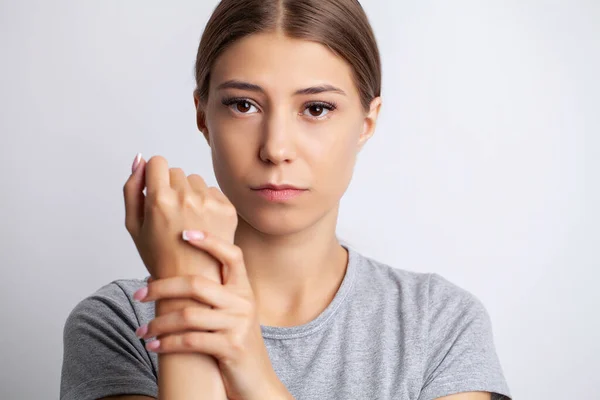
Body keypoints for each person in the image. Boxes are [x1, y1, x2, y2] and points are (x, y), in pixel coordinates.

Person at [60, 0, 512, 399]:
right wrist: (190, 302)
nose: (275, 148)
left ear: (367, 122)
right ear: (203, 115)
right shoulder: (119, 324)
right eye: (243, 105)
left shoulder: (439, 326)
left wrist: (253, 373)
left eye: (316, 109)